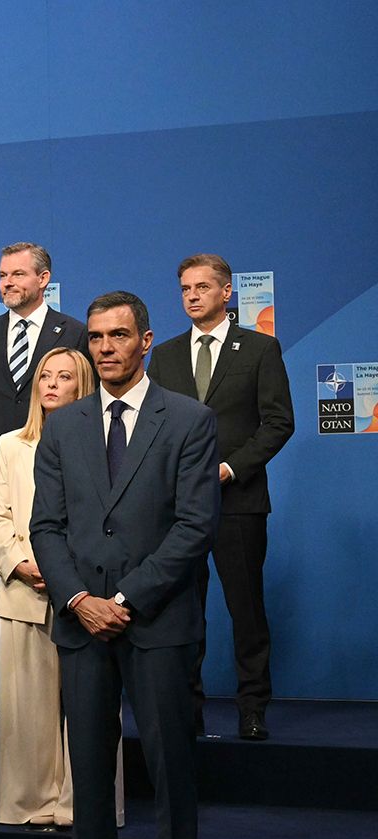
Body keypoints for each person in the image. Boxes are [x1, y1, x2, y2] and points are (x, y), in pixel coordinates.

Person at [31, 291, 218, 839]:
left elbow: (194, 525)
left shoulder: (189, 420)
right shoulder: (63, 427)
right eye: (95, 337)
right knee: (88, 771)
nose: (105, 348)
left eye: (117, 336)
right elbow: (46, 528)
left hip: (158, 623)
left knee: (171, 770)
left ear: (145, 340)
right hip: (81, 625)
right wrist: (79, 601)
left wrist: (128, 600)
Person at [148, 253, 293, 740]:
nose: (192, 295)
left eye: (202, 287)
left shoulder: (258, 349)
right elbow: (154, 428)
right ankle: (188, 708)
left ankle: (252, 707)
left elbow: (278, 423)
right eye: (185, 288)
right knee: (183, 609)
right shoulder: (164, 355)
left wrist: (231, 469)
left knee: (245, 609)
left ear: (227, 293)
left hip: (239, 503)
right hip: (177, 509)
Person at [0, 243, 89, 729]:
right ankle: (8, 699)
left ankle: (73, 696)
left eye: (17, 275)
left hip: (68, 475)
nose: (7, 283)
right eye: (2, 275)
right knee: (5, 587)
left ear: (43, 278)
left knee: (69, 588)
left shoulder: (72, 331)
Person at [0, 347, 124, 827]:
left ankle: (84, 805)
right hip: (23, 590)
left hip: (85, 592)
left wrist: (67, 572)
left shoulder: (108, 442)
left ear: (82, 385)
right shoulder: (10, 444)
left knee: (91, 710)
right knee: (25, 711)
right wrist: (21, 563)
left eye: (64, 377)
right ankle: (29, 802)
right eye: (44, 375)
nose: (50, 384)